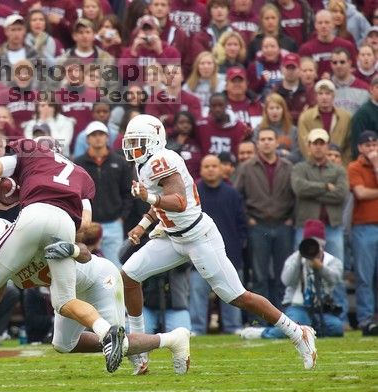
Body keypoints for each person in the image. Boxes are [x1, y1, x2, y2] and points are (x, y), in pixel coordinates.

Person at [120, 115, 316, 370]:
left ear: (155, 140)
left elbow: (177, 201)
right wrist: (142, 225)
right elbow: (159, 199)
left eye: (139, 141)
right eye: (132, 141)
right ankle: (140, 348)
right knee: (129, 276)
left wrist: (149, 198)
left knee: (237, 297)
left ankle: (297, 332)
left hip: (198, 237)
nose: (134, 147)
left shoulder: (162, 161)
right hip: (172, 236)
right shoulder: (145, 162)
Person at [0, 136, 128, 374]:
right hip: (64, 223)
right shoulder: (80, 172)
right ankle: (107, 332)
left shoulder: (32, 154)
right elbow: (85, 223)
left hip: (35, 212)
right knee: (64, 302)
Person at [0, 218, 191, 375]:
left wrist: (71, 249)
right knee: (63, 344)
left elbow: (85, 253)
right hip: (68, 294)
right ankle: (129, 346)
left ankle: (173, 339)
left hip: (99, 280)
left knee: (116, 341)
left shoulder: (35, 235)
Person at [241, 220, 344, 339]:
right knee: (291, 331)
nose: (312, 248)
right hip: (298, 307)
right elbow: (286, 281)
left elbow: (336, 278)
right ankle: (260, 332)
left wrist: (321, 268)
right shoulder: (295, 258)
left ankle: (307, 327)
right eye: (309, 244)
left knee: (336, 328)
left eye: (316, 244)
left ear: (323, 244)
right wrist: (299, 259)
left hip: (321, 309)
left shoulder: (331, 261)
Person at [290, 128, 349, 316]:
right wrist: (325, 187)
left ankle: (341, 315)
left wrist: (313, 193)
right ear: (308, 146)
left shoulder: (338, 169)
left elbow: (341, 194)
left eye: (321, 143)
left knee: (336, 272)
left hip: (332, 227)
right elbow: (299, 189)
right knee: (301, 271)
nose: (318, 147)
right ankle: (303, 313)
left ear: (327, 145)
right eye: (315, 143)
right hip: (307, 229)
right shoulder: (299, 168)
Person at [235, 129, 295, 309]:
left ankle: (284, 318)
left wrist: (291, 218)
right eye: (263, 139)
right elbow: (237, 197)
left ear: (277, 143)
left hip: (283, 225)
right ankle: (260, 319)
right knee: (259, 276)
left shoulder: (288, 166)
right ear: (257, 143)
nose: (267, 142)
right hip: (258, 226)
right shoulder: (246, 168)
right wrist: (248, 219)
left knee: (283, 275)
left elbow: (296, 195)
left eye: (270, 139)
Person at [189, 155, 245, 335]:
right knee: (198, 293)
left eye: (215, 165)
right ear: (201, 169)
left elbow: (240, 224)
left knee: (233, 292)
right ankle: (197, 328)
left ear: (221, 169)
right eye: (207, 166)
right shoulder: (193, 192)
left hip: (229, 254)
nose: (211, 169)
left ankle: (233, 326)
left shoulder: (231, 193)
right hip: (197, 254)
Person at [73, 121, 133, 265]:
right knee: (84, 267)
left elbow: (127, 192)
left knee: (116, 267)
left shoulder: (120, 162)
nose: (98, 137)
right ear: (87, 139)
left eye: (101, 134)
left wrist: (122, 218)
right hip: (87, 225)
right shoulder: (78, 164)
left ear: (107, 137)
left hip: (113, 224)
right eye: (93, 135)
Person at [347, 130, 378, 336]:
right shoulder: (354, 166)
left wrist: (376, 165)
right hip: (364, 227)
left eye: (374, 144)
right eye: (367, 145)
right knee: (365, 277)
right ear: (359, 148)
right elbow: (360, 193)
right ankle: (366, 319)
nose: (371, 148)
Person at [297, 79, 352, 164]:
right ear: (316, 96)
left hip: (339, 165)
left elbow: (349, 145)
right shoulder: (305, 117)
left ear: (333, 96)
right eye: (320, 94)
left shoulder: (345, 117)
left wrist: (343, 163)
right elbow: (304, 144)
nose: (324, 97)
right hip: (314, 165)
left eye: (327, 94)